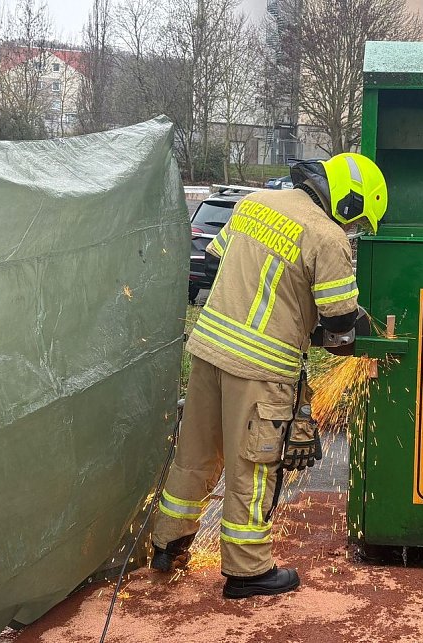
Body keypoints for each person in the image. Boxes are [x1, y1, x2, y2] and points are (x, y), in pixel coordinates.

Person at [150, 153, 387, 599]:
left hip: (208, 350)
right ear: (351, 204)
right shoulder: (326, 236)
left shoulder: (254, 203)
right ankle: (248, 571)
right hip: (261, 369)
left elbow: (216, 265)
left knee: (196, 454)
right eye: (358, 223)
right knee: (254, 469)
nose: (354, 231)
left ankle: (168, 546)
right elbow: (338, 322)